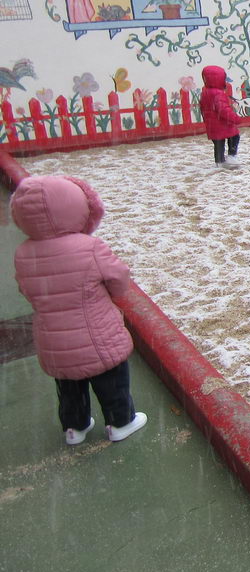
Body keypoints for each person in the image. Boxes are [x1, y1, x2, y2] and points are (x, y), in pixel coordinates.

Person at [11, 175, 148, 445]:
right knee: (111, 378)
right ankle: (121, 421)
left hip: (54, 339)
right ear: (79, 207)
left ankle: (75, 427)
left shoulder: (23, 253)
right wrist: (111, 293)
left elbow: (26, 289)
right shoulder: (90, 247)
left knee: (69, 384)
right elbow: (119, 277)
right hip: (96, 334)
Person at [201, 64, 242, 170]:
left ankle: (219, 161)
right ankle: (231, 156)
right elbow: (223, 110)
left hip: (212, 125)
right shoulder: (218, 94)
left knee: (218, 143)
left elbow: (203, 108)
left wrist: (206, 120)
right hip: (223, 124)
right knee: (234, 137)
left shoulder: (205, 93)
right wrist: (235, 118)